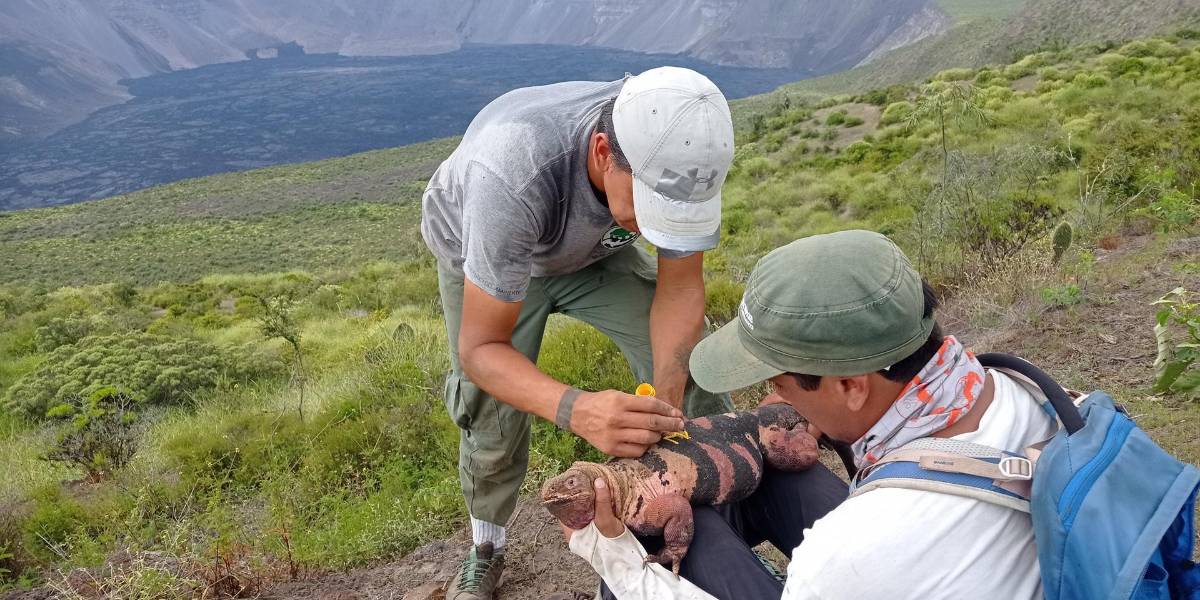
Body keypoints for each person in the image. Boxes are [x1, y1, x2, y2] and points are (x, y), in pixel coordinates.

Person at [560, 230, 1054, 599]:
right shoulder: (1030, 392)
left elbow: (851, 562)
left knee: (684, 542)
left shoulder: (843, 557)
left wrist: (611, 554)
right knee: (758, 487)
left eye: (779, 384)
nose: (773, 400)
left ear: (851, 386)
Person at [420, 66, 738, 600]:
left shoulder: (678, 146)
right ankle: (487, 549)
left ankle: (725, 528)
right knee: (489, 411)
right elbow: (481, 349)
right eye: (648, 212)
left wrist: (665, 408)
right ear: (600, 151)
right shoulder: (510, 171)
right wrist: (578, 410)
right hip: (486, 261)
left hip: (589, 253)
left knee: (694, 369)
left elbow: (680, 290)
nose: (657, 229)